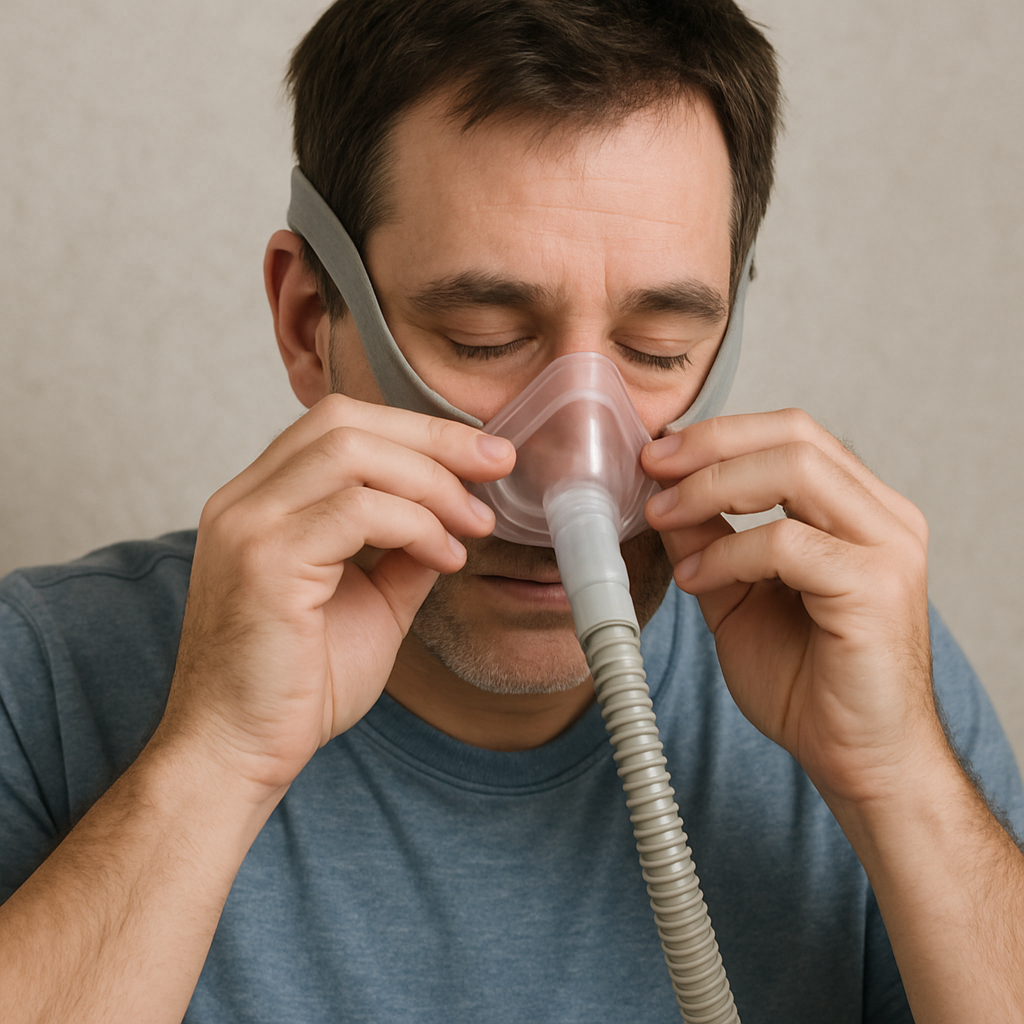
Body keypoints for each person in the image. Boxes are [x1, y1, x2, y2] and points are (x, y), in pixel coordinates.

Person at [1, 1, 1022, 1021]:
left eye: (659, 350)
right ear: (313, 324)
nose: (573, 452)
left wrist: (900, 787)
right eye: (483, 336)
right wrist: (218, 756)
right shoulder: (43, 679)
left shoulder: (859, 669)